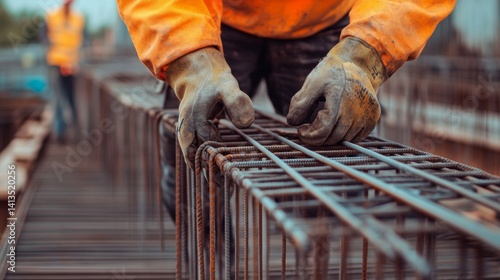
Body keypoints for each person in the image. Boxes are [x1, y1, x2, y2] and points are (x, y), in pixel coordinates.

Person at [117, 1, 456, 220]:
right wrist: (190, 60)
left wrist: (366, 55)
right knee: (194, 184)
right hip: (207, 18)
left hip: (325, 19)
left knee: (337, 182)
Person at [45, 0, 85, 143]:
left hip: (72, 65)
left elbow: (82, 41)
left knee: (72, 98)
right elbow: (45, 39)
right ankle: (60, 133)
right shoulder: (51, 16)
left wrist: (75, 61)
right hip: (56, 63)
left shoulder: (79, 18)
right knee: (57, 99)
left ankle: (75, 132)